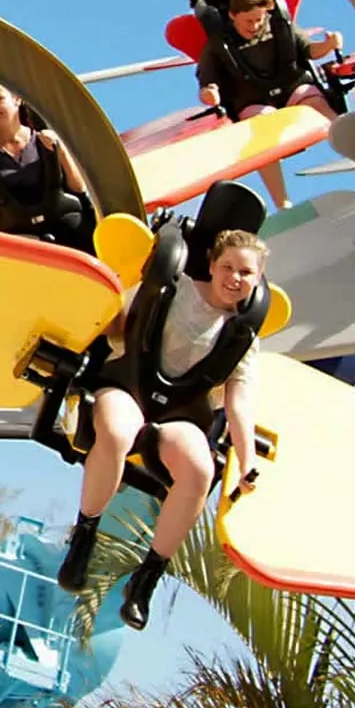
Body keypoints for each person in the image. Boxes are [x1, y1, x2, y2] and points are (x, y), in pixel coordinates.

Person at [54, 228, 268, 631]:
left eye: (246, 272)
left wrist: (247, 463)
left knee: (201, 471)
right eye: (228, 267)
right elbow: (114, 323)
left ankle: (145, 581)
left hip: (179, 417)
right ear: (211, 264)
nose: (235, 278)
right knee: (117, 433)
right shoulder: (172, 288)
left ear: (257, 279)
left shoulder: (243, 337)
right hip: (126, 386)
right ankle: (84, 537)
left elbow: (239, 403)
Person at [196, 0, 344, 210]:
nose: (255, 26)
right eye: (248, 21)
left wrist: (329, 45)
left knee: (317, 104)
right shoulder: (219, 45)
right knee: (263, 131)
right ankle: (282, 203)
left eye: (259, 19)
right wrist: (210, 93)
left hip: (292, 87)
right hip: (255, 101)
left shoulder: (281, 27)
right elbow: (207, 81)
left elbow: (309, 50)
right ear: (233, 16)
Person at [0, 79, 96, 253]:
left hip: (62, 226)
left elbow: (78, 188)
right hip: (18, 237)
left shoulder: (43, 139)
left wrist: (60, 151)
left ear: (17, 99)